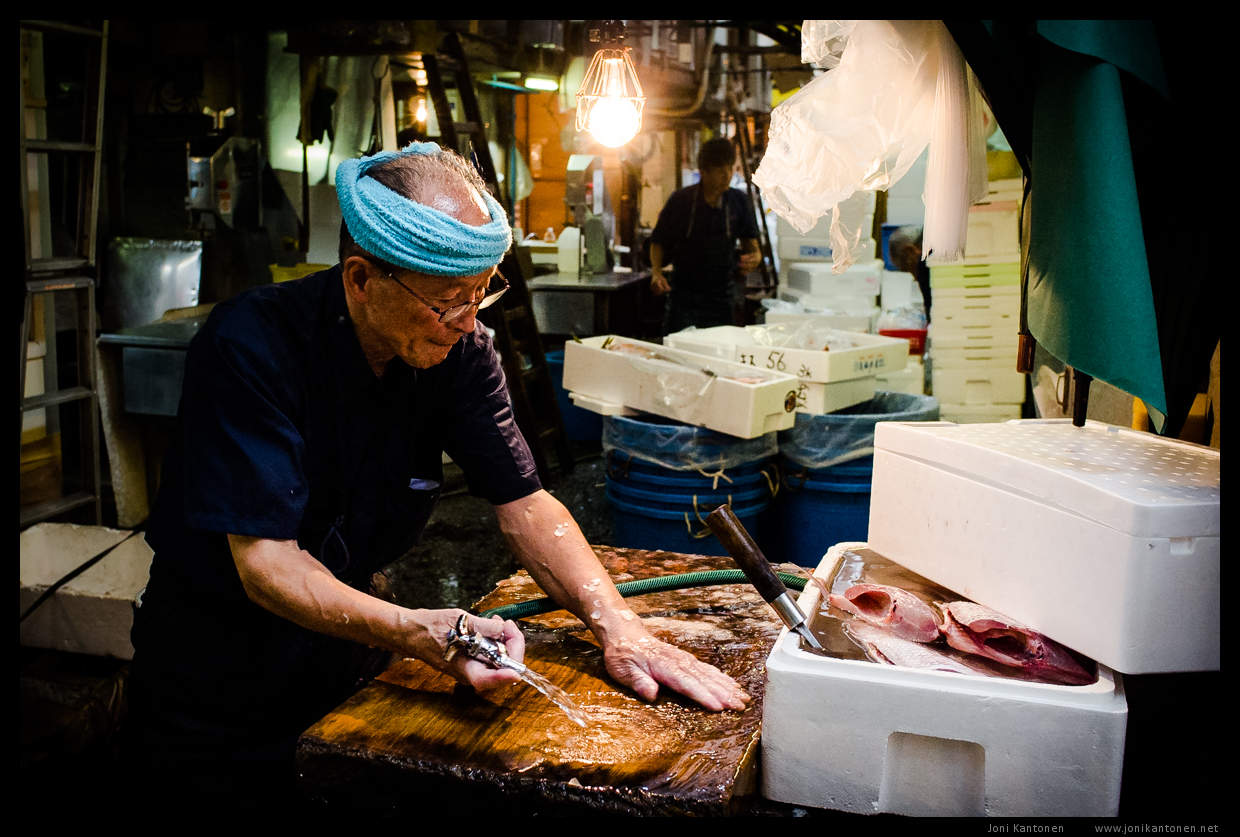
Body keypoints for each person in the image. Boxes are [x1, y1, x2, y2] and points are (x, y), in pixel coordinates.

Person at [124, 142, 749, 814]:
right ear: (362, 279)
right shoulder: (250, 344)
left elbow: (526, 504)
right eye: (447, 300)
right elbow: (266, 565)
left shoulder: (461, 350)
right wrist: (419, 631)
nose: (468, 320)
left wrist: (619, 626)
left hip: (348, 649)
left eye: (482, 292)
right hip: (215, 676)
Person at [649, 137, 761, 333]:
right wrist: (656, 272)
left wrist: (755, 258)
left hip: (723, 297)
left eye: (730, 168)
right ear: (703, 172)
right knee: (679, 346)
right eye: (720, 170)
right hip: (684, 298)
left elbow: (752, 247)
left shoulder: (738, 201)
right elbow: (658, 241)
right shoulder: (681, 200)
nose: (727, 175)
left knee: (721, 346)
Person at [887, 225, 932, 322]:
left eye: (906, 269)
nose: (914, 278)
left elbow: (932, 315)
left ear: (909, 252)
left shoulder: (925, 265)